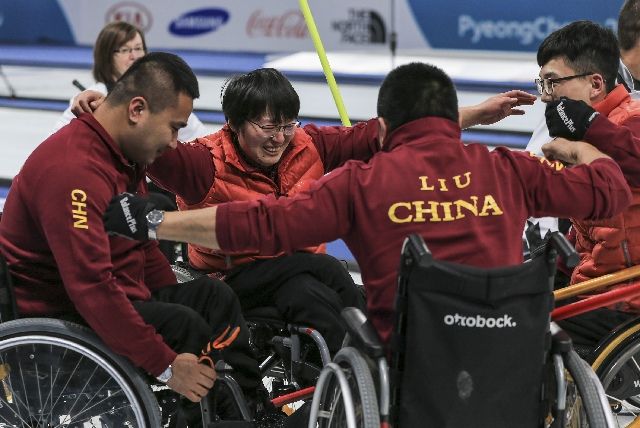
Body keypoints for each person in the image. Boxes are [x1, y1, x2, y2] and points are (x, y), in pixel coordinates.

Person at [102, 61, 631, 353]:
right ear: (234, 124)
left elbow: (271, 221)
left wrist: (156, 224)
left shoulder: (350, 174)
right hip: (500, 351)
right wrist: (583, 150)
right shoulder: (509, 169)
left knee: (328, 277)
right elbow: (608, 188)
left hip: (403, 348)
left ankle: (338, 361)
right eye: (268, 126)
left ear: (384, 128)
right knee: (317, 273)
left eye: (287, 124)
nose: (281, 138)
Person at [0, 52, 280, 427]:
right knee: (185, 326)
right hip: (60, 317)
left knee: (211, 298)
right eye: (173, 127)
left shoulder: (122, 155)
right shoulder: (74, 171)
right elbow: (91, 288)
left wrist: (170, 297)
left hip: (107, 296)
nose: (174, 143)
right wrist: (166, 366)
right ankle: (207, 416)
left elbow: (140, 245)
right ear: (137, 110)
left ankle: (249, 409)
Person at [532, 20, 640, 349]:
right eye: (542, 84)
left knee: (517, 323)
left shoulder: (632, 118)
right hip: (596, 283)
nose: (546, 97)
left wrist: (588, 129)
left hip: (623, 299)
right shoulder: (580, 132)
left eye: (553, 83)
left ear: (595, 84)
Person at [51, 21, 207, 141]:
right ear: (107, 57)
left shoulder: (161, 93)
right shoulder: (90, 98)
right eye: (125, 50)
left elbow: (201, 137)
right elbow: (53, 141)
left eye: (139, 48)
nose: (134, 56)